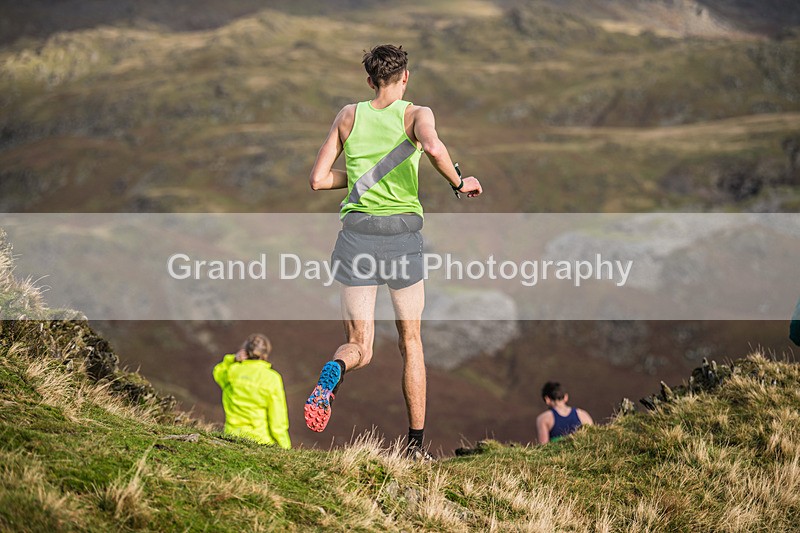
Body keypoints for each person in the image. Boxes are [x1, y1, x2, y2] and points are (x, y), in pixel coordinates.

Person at [305, 44, 483, 458]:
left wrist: (358, 178)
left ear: (370, 81)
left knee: (360, 344)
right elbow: (435, 148)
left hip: (356, 236)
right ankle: (415, 446)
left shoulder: (347, 115)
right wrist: (460, 183)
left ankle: (336, 369)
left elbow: (317, 180)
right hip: (401, 236)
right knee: (411, 342)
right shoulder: (417, 114)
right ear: (405, 77)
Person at [213, 333, 291, 449]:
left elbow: (217, 372)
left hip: (232, 437)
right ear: (265, 354)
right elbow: (277, 419)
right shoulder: (272, 378)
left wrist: (233, 359)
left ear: (245, 351)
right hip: (261, 441)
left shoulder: (232, 371)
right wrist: (285, 445)